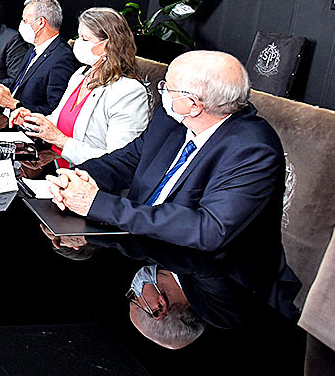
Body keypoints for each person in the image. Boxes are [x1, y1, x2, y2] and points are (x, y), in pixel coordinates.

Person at [47, 50, 287, 253]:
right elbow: (129, 160)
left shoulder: (253, 150)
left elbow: (208, 230)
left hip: (208, 278)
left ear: (194, 105)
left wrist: (97, 203)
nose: (161, 91)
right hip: (140, 241)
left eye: (167, 87)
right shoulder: (170, 119)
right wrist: (77, 177)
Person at [11, 7, 149, 167]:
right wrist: (30, 120)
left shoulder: (129, 92)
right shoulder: (81, 75)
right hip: (57, 169)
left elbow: (118, 161)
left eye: (84, 38)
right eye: (79, 36)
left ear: (108, 45)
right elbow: (57, 120)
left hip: (88, 182)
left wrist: (59, 140)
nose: (77, 43)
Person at [0, 0, 79, 116]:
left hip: (26, 129)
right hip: (6, 117)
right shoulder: (34, 48)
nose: (22, 24)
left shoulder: (62, 57)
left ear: (41, 23)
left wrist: (14, 104)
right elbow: (18, 84)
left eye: (25, 20)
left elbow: (54, 111)